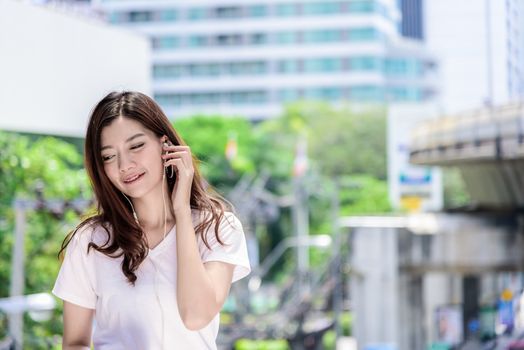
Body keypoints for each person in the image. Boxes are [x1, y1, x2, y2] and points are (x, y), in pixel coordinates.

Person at [52, 91, 251, 349]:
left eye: (136, 146)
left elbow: (196, 315)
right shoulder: (92, 241)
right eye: (109, 156)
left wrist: (181, 211)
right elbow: (74, 342)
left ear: (165, 145)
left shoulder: (217, 227)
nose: (125, 165)